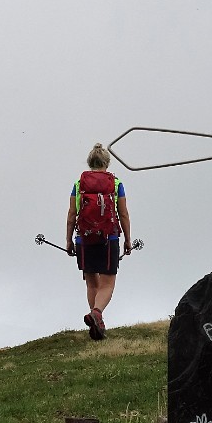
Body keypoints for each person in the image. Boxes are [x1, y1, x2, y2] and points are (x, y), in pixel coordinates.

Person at [65, 143, 131, 340]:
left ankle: (97, 323)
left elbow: (71, 214)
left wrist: (69, 240)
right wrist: (127, 239)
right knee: (108, 282)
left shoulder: (78, 185)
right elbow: (124, 214)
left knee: (92, 283)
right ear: (107, 163)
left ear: (90, 162)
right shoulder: (116, 184)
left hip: (84, 238)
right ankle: (97, 314)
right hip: (108, 237)